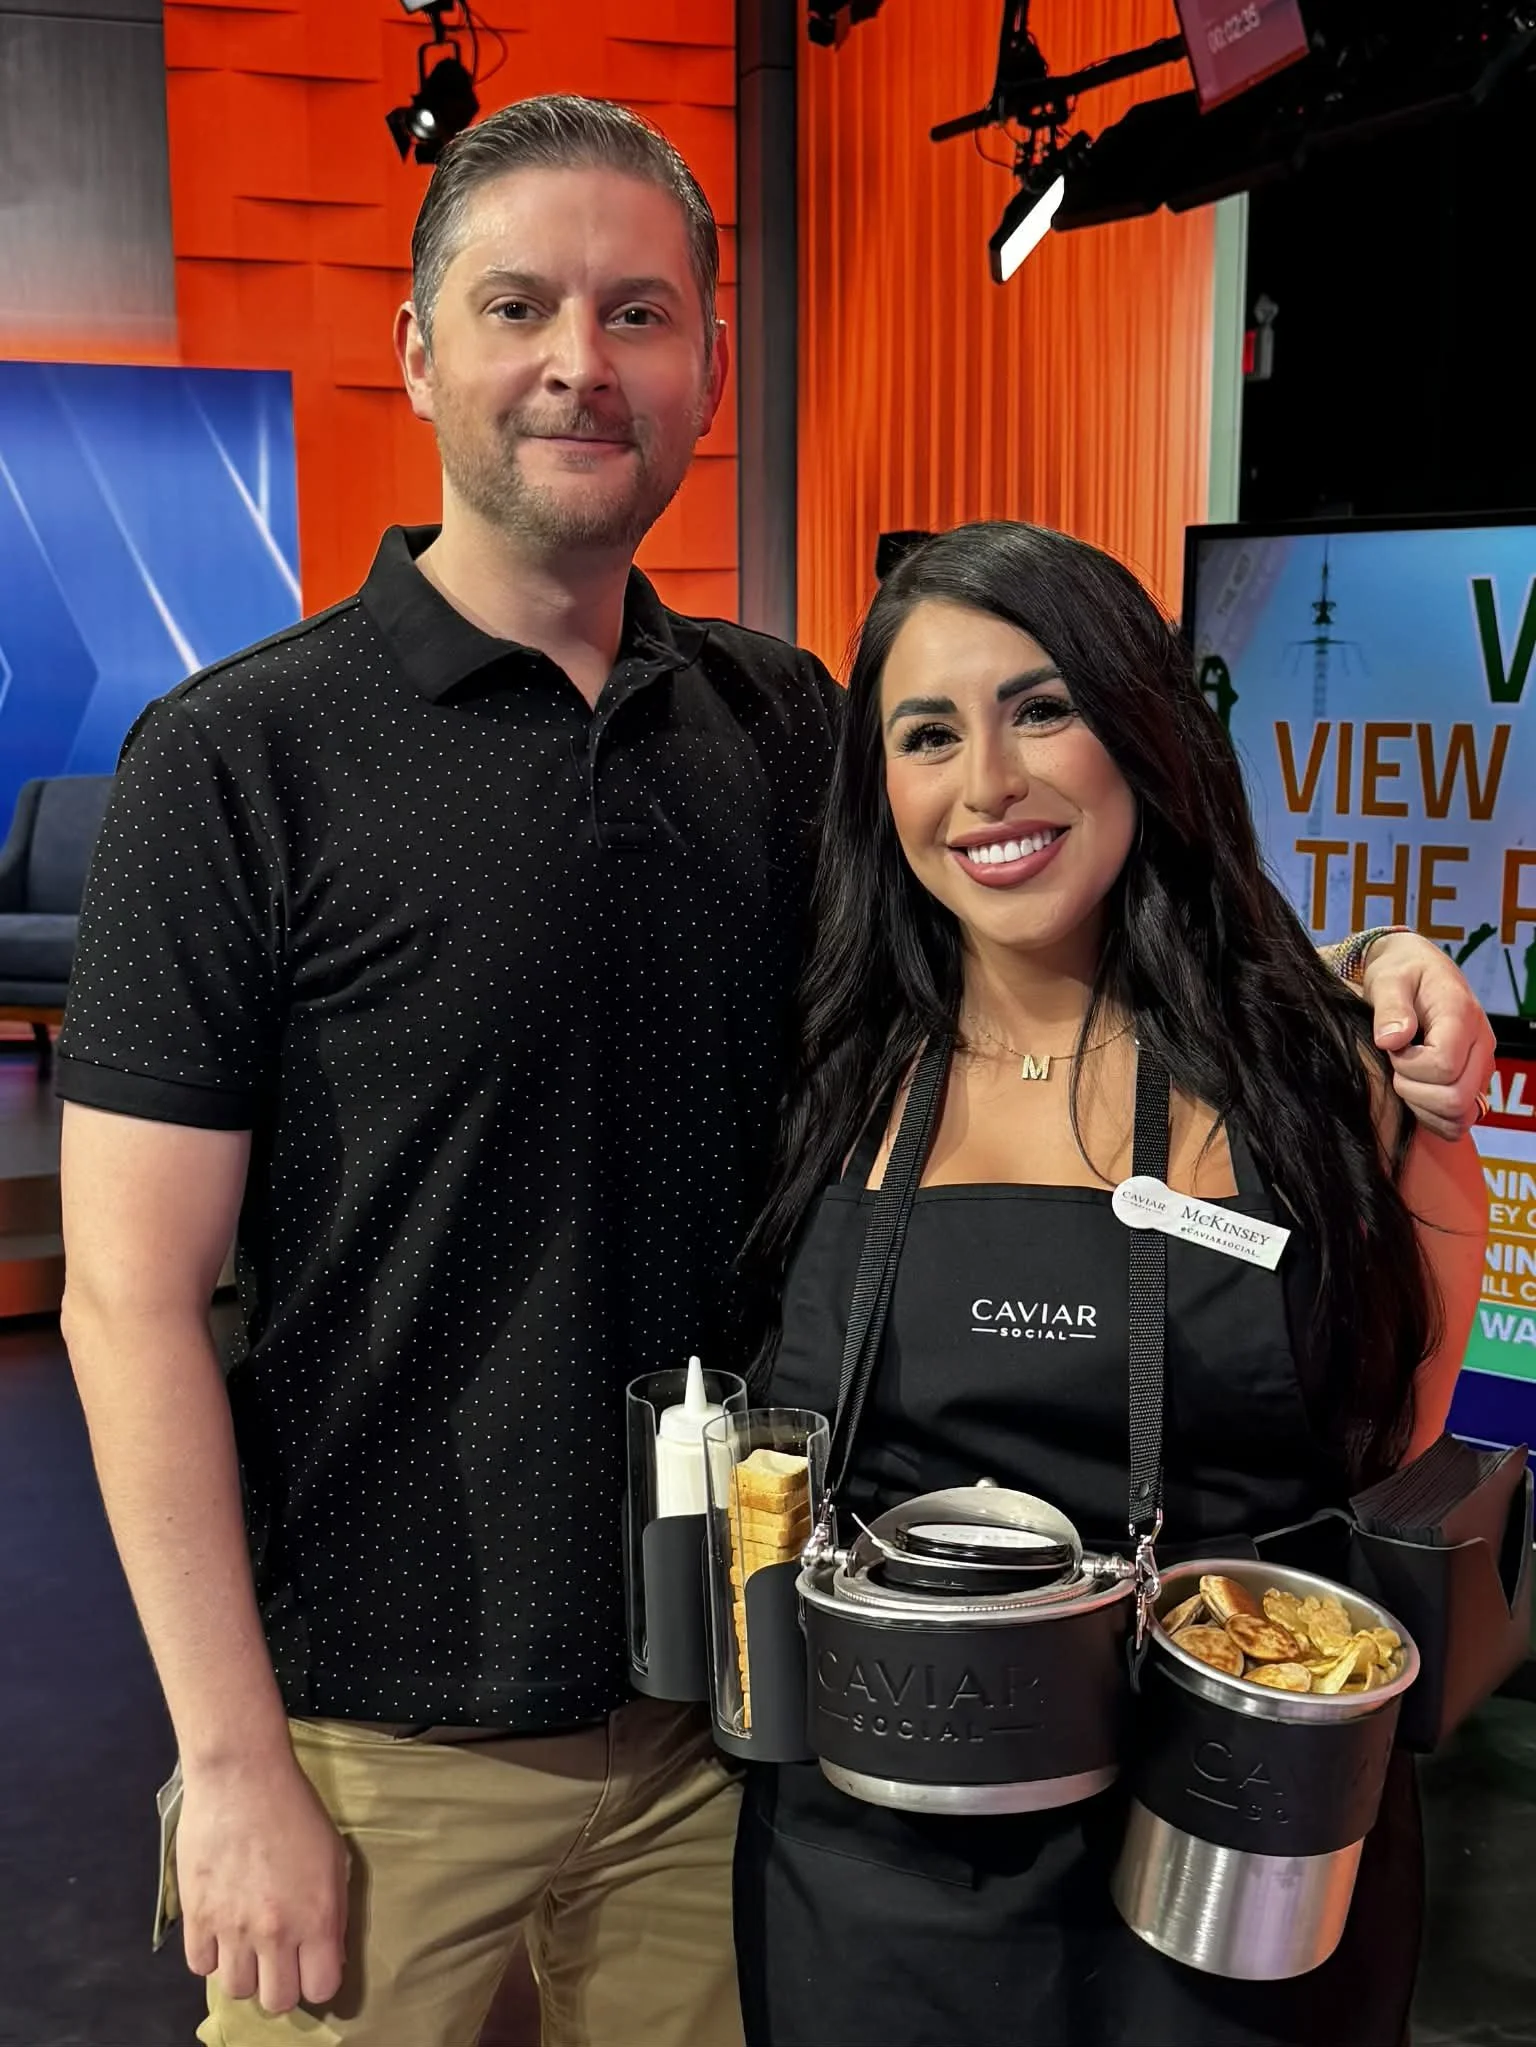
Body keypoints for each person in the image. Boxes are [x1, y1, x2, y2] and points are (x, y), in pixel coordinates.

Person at [54, 94, 1489, 2047]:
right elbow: (126, 1295)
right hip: (380, 1744)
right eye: (518, 305)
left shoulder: (782, 724)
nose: (581, 360)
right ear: (416, 348)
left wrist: (1349, 979)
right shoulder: (239, 762)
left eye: (639, 312)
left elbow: (1034, 899)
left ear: (712, 366)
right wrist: (229, 1762)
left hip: (740, 1731)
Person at [733, 520, 1487, 2047]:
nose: (988, 783)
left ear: (1145, 729)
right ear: (879, 788)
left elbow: (1400, 1437)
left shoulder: (1348, 1087)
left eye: (1044, 708)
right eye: (928, 734)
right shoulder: (813, 1074)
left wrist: (1374, 960)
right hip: (874, 1875)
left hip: (1243, 1859)